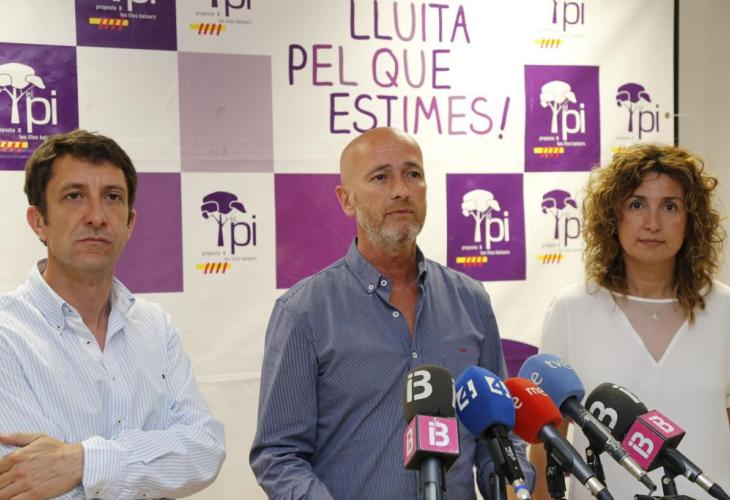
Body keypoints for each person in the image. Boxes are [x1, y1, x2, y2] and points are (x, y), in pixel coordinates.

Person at [250, 127, 534, 499]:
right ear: (346, 199)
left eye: (412, 174)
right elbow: (278, 455)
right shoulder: (304, 312)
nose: (401, 190)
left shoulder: (471, 300)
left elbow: (498, 435)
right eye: (380, 177)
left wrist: (514, 484)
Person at [0, 130, 225, 499]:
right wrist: (151, 465)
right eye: (74, 196)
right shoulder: (6, 334)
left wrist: (82, 461)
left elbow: (205, 450)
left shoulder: (155, 326)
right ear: (38, 221)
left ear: (130, 223)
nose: (97, 216)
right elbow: (23, 482)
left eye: (112, 197)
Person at [531, 144, 730, 499]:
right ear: (613, 216)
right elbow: (548, 442)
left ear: (692, 219)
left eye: (670, 206)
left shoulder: (724, 308)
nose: (652, 223)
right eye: (637, 205)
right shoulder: (571, 309)